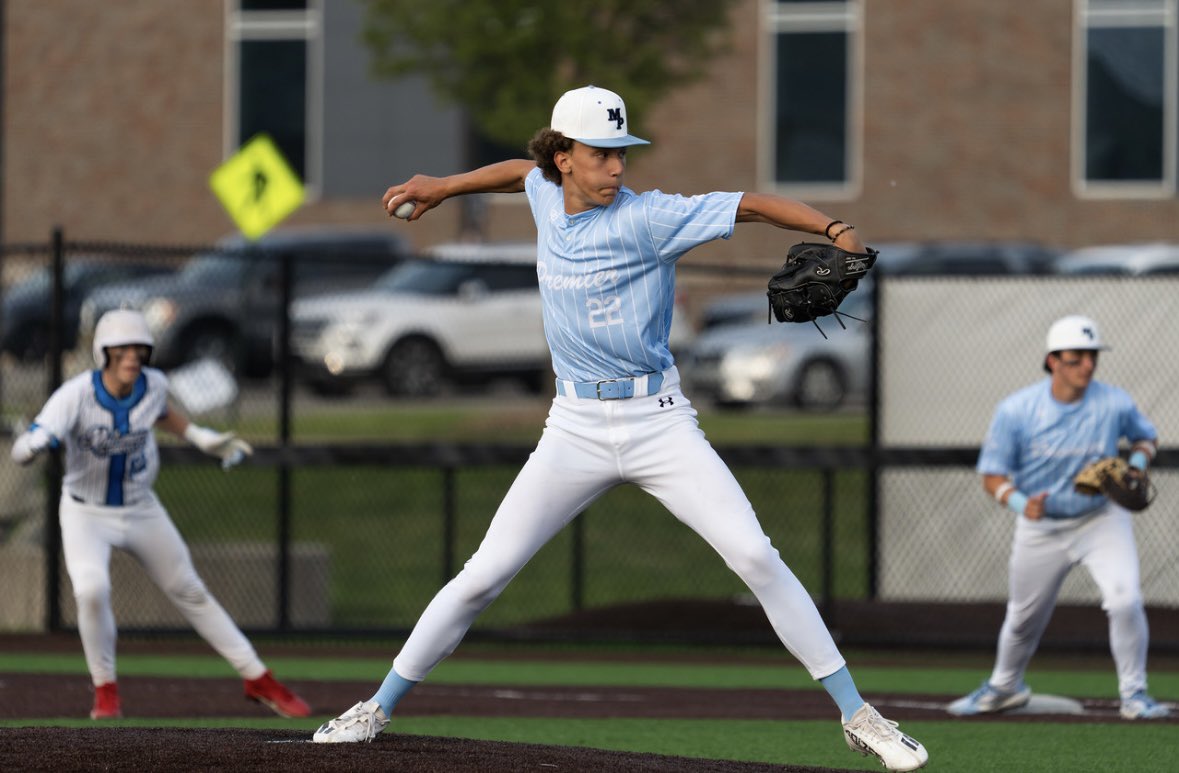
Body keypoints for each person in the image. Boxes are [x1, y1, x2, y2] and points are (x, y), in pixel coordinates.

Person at [312, 85, 928, 771]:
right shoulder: (545, 189)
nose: (615, 168)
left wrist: (835, 231)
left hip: (656, 421)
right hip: (573, 426)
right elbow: (517, 173)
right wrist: (445, 185)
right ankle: (377, 705)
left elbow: (749, 204)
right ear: (563, 157)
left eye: (621, 155)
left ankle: (858, 713)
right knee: (483, 574)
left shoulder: (651, 217)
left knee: (753, 555)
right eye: (601, 155)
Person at [11, 308, 311, 721]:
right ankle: (106, 691)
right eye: (123, 348)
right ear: (104, 353)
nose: (133, 356)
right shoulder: (75, 394)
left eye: (139, 348)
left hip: (140, 507)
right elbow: (25, 445)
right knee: (91, 591)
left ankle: (257, 677)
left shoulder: (153, 385)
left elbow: (165, 415)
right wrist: (34, 443)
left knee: (190, 590)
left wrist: (203, 438)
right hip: (86, 512)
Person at [948, 314, 1169, 720]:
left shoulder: (1114, 401)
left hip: (1101, 519)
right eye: (1077, 357)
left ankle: (1135, 695)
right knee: (1022, 617)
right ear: (1053, 360)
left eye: (1092, 356)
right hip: (1041, 525)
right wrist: (1019, 503)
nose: (1087, 364)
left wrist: (1136, 465)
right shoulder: (1017, 410)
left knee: (1125, 600)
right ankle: (1002, 687)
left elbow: (1146, 437)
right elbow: (992, 474)